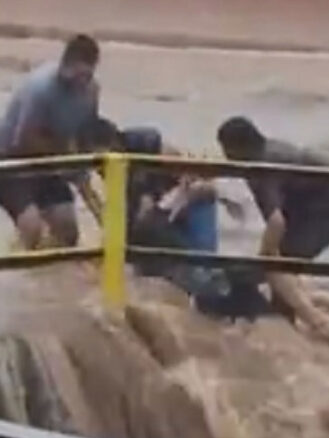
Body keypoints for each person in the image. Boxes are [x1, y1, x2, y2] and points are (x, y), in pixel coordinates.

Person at [82, 117, 274, 321]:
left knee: (195, 254)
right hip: (158, 212)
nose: (99, 168)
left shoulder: (145, 142)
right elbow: (115, 208)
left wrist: (174, 197)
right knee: (140, 241)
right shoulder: (110, 168)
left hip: (184, 197)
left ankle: (217, 285)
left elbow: (187, 174)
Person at [216, 115, 329, 342]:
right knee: (282, 258)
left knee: (284, 259)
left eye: (226, 151)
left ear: (237, 148)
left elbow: (276, 221)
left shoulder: (260, 168)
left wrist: (267, 254)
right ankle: (288, 311)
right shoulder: (269, 149)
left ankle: (296, 324)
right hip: (317, 197)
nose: (226, 158)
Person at [0, 34, 102, 251]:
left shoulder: (91, 93)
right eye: (74, 74)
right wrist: (65, 158)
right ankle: (20, 261)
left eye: (85, 76)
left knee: (68, 231)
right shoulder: (41, 89)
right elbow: (24, 140)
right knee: (32, 228)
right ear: (64, 64)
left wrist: (83, 170)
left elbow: (86, 136)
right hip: (8, 160)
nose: (79, 82)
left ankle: (49, 265)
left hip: (51, 160)